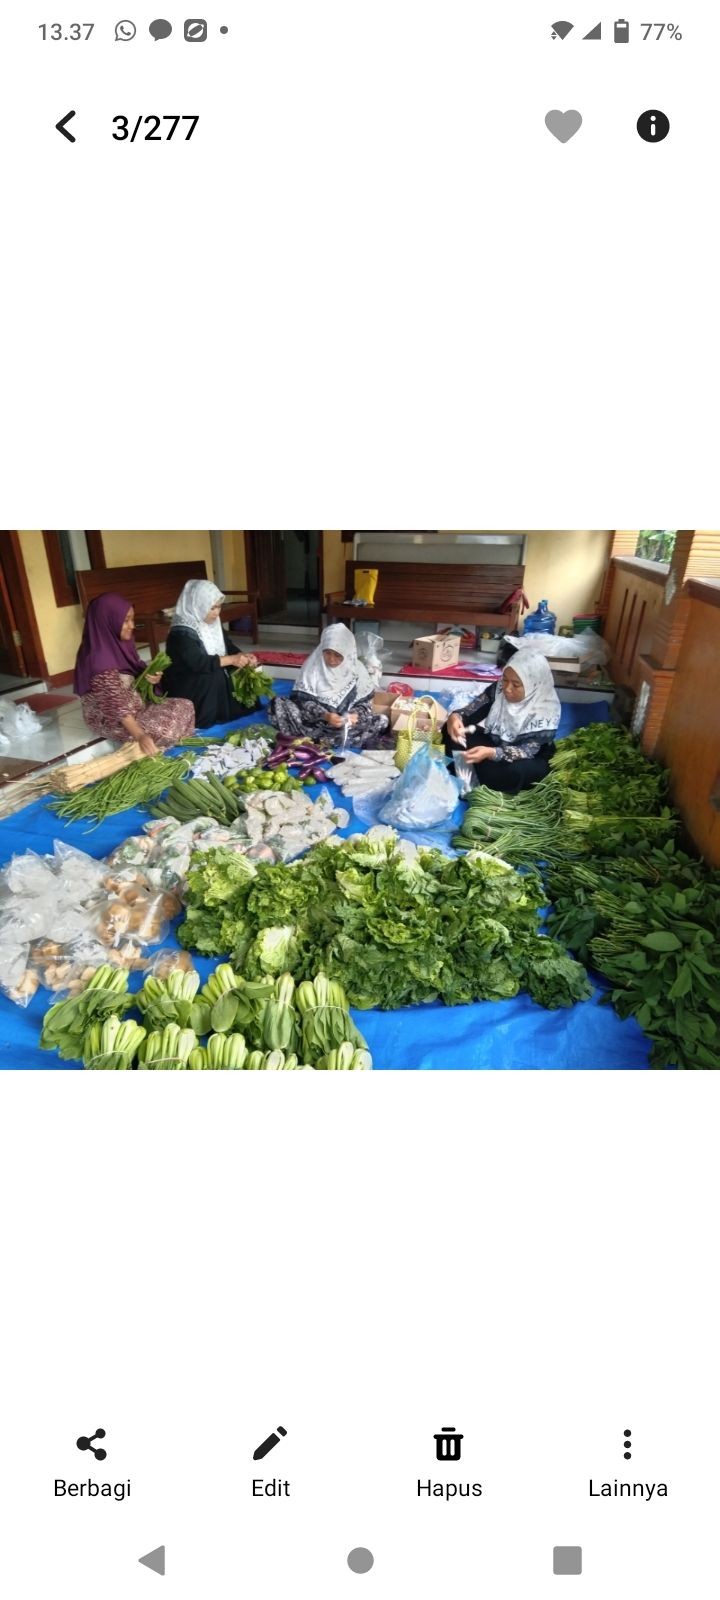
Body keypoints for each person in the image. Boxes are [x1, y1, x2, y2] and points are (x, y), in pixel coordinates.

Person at [75, 594, 195, 755]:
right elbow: (116, 706)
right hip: (113, 720)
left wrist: (152, 679)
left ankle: (168, 743)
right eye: (126, 621)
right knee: (165, 729)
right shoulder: (99, 658)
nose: (132, 626)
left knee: (186, 705)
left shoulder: (120, 644)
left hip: (137, 708)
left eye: (132, 619)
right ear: (108, 621)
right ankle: (159, 746)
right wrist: (140, 735)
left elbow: (134, 676)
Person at [442, 653, 561, 793]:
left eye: (516, 685)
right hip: (497, 742)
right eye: (505, 680)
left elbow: (528, 750)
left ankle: (477, 772)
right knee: (453, 730)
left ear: (533, 685)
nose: (507, 688)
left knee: (513, 773)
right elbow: (472, 711)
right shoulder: (499, 689)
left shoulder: (546, 708)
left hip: (527, 758)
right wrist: (457, 717)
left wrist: (492, 753)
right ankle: (472, 775)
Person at [268, 623, 389, 746]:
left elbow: (365, 704)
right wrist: (325, 715)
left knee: (382, 720)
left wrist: (354, 715)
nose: (331, 659)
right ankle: (332, 740)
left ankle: (322, 739)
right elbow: (302, 701)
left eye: (337, 655)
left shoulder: (357, 670)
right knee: (278, 704)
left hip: (345, 725)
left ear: (348, 653)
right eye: (327, 653)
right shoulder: (313, 667)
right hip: (314, 721)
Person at [162, 579, 260, 728]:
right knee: (214, 675)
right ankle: (207, 715)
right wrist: (232, 659)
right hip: (185, 680)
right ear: (198, 605)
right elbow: (198, 663)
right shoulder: (182, 631)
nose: (216, 612)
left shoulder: (212, 622)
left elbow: (227, 645)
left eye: (218, 607)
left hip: (204, 668)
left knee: (239, 670)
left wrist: (242, 656)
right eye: (212, 608)